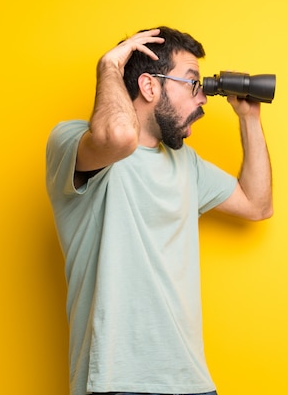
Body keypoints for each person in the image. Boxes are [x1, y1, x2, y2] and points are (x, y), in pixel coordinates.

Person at [45, 26, 273, 395]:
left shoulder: (186, 164)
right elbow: (118, 137)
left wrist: (249, 118)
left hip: (191, 382)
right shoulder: (75, 142)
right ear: (150, 87)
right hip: (116, 381)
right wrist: (109, 68)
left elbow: (258, 203)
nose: (203, 99)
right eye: (192, 83)